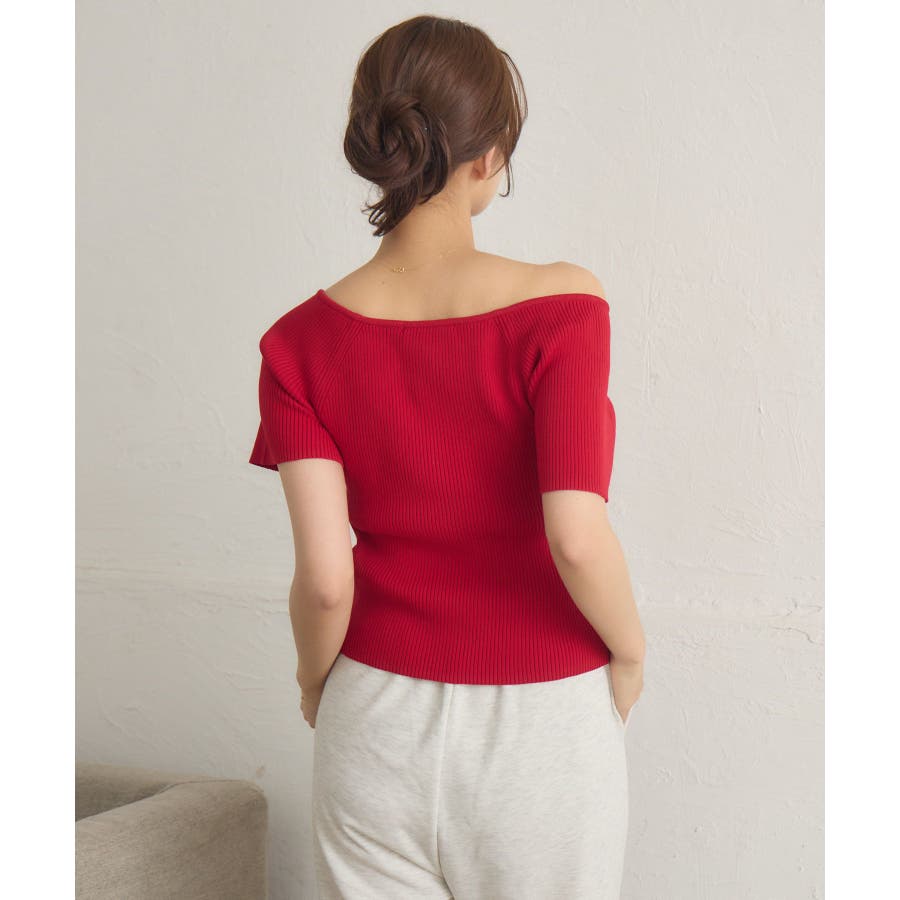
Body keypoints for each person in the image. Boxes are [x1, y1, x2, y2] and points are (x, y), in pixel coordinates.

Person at [249, 13, 646, 900]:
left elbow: (325, 580)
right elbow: (576, 535)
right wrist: (629, 651)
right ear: (489, 153)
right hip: (542, 717)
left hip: (373, 714)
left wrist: (316, 684)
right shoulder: (563, 308)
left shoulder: (297, 344)